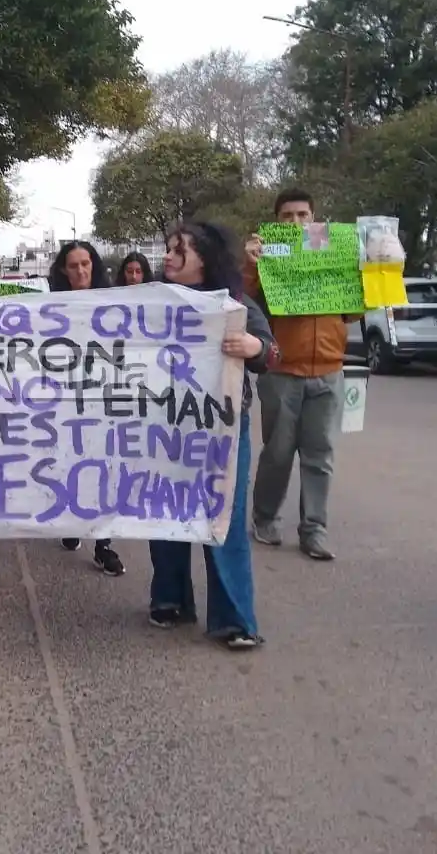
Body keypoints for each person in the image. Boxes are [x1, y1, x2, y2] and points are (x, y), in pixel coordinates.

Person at [153, 222, 279, 649]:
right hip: (162, 426)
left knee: (224, 517)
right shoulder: (153, 300)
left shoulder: (234, 302)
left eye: (179, 250)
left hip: (222, 429)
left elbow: (271, 352)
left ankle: (235, 619)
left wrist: (254, 347)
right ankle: (169, 599)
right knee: (164, 509)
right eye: (168, 249)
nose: (168, 257)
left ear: (204, 259)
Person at [244, 188, 361, 561]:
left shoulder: (334, 251)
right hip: (281, 372)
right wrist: (251, 265)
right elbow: (242, 302)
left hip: (329, 370)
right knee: (277, 453)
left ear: (314, 218)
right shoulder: (266, 255)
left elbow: (354, 312)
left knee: (320, 455)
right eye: (287, 216)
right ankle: (265, 518)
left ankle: (314, 530)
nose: (295, 222)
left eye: (303, 215)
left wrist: (371, 271)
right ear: (276, 221)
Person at [48, 240, 125, 576]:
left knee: (103, 470)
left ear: (94, 264)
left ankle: (103, 545)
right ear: (63, 270)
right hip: (62, 401)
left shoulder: (114, 303)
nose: (80, 271)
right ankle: (70, 521)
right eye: (73, 265)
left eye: (86, 263)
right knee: (68, 464)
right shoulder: (47, 305)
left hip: (103, 400)